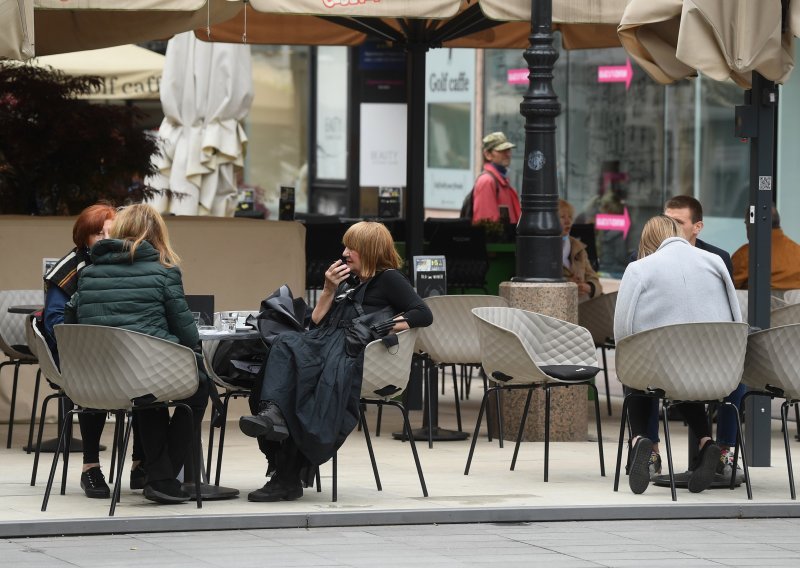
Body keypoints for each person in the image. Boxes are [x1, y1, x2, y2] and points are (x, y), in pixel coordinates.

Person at [239, 221, 433, 502]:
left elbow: (423, 313)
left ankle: (283, 461)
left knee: (289, 358)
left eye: (351, 248)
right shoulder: (351, 284)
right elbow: (315, 324)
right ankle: (275, 424)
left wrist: (381, 328)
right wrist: (329, 288)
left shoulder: (389, 279)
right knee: (283, 354)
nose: (344, 253)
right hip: (325, 348)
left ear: (368, 250)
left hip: (351, 357)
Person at [66, 203, 208, 505]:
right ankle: (163, 476)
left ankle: (161, 477)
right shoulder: (165, 273)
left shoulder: (88, 274)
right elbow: (188, 335)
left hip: (97, 380)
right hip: (147, 374)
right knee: (199, 386)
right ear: (155, 234)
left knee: (147, 396)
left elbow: (72, 322)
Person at [614, 215, 742, 495]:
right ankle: (707, 442)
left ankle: (640, 441)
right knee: (681, 375)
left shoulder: (639, 268)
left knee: (638, 376)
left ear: (647, 240)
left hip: (666, 370)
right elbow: (736, 317)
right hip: (717, 371)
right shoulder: (715, 262)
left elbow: (622, 331)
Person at [43, 203, 126, 499]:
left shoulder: (126, 265)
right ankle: (90, 467)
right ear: (84, 238)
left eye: (110, 233)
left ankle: (145, 465)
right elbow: (54, 323)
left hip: (124, 354)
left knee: (147, 383)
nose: (104, 239)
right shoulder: (68, 270)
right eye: (97, 234)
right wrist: (89, 346)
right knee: (96, 377)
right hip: (77, 356)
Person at [732, 205, 800, 290]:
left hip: (757, 303)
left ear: (751, 225)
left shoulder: (747, 255)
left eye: (746, 223)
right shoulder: (798, 251)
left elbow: (726, 287)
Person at [471, 132, 521, 224]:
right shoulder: (487, 181)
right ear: (487, 155)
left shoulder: (501, 180)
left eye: (508, 150)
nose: (508, 154)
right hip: (499, 238)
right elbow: (487, 224)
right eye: (501, 150)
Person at [559, 199, 602, 302]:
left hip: (583, 304)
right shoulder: (543, 247)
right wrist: (569, 285)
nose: (568, 221)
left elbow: (594, 279)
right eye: (562, 217)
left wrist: (589, 287)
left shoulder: (578, 247)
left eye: (570, 217)